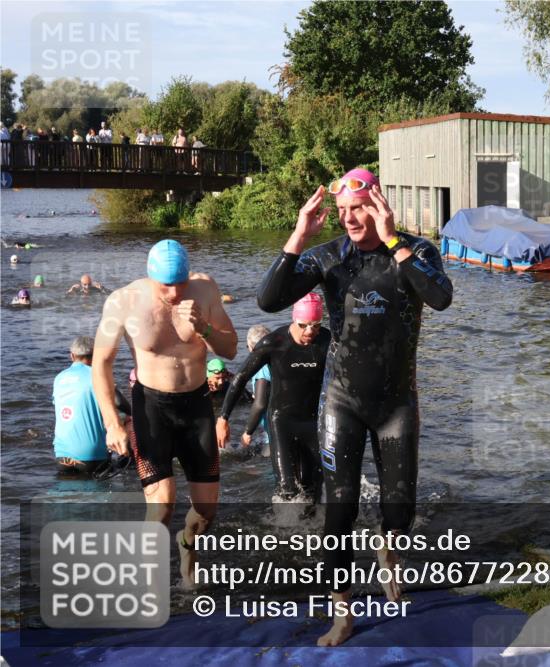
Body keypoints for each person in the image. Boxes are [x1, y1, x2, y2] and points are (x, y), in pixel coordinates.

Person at [257, 167, 452, 646]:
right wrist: (299, 237)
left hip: (396, 404)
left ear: (378, 204)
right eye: (342, 211)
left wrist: (394, 241)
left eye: (357, 209)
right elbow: (268, 300)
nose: (348, 218)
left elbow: (441, 297)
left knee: (399, 511)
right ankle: (342, 615)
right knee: (338, 512)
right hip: (342, 401)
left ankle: (388, 546)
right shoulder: (329, 257)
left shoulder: (417, 250)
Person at [93, 239, 237, 588]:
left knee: (206, 511)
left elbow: (231, 349)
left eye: (180, 283)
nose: (175, 293)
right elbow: (100, 364)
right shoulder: (124, 301)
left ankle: (187, 543)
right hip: (151, 406)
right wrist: (112, 423)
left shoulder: (205, 290)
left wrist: (204, 328)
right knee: (161, 505)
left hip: (197, 405)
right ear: (150, 277)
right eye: (166, 286)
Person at [217, 295, 331, 503]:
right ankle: (284, 523)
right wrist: (223, 418)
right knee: (287, 489)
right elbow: (240, 378)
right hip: (282, 422)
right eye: (303, 325)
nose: (309, 331)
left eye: (316, 325)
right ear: (294, 319)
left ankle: (312, 523)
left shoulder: (326, 340)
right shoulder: (274, 343)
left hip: (313, 422)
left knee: (313, 488)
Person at [52, 336, 131, 475]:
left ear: (72, 356)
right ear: (96, 355)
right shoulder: (98, 376)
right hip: (92, 456)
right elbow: (121, 404)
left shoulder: (59, 378)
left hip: (62, 455)